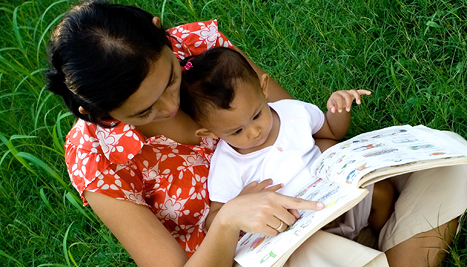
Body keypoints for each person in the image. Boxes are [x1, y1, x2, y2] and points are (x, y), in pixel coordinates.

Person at [46, 1, 467, 266]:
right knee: (307, 253)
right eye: (145, 111)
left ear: (161, 32)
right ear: (97, 112)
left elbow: (296, 125)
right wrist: (227, 220)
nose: (170, 106)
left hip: (317, 198)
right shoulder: (94, 158)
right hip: (255, 252)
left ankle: (374, 250)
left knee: (448, 166)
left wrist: (341, 171)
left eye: (171, 79)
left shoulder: (197, 46)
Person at [180, 47, 394, 239]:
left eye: (256, 115)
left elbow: (332, 132)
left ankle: (380, 236)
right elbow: (213, 222)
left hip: (340, 197)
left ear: (263, 88)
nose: (254, 132)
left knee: (383, 192)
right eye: (236, 131)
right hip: (302, 231)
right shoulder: (228, 164)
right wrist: (238, 203)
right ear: (210, 133)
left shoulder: (292, 112)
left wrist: (338, 110)